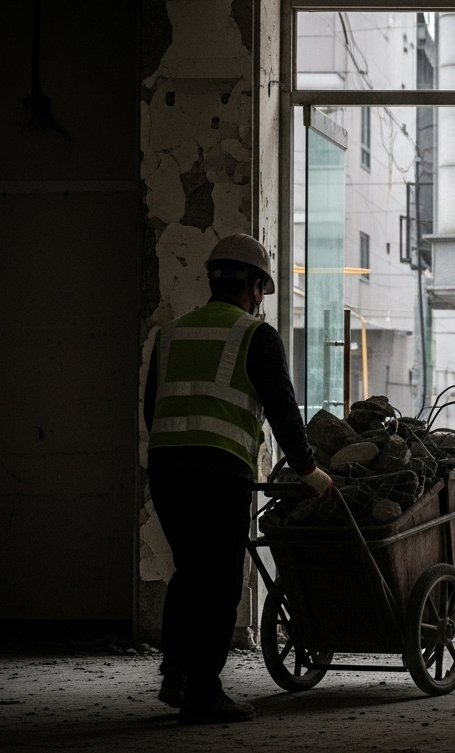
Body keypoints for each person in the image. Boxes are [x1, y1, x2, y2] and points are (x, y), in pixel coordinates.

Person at [144, 234, 336, 724]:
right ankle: (204, 691)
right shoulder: (255, 336)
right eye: (261, 290)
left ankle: (176, 672)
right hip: (220, 470)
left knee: (190, 570)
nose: (260, 299)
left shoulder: (170, 334)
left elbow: (152, 409)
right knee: (221, 580)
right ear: (253, 285)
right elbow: (283, 411)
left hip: (166, 469)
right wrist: (309, 471)